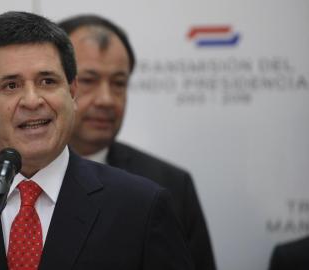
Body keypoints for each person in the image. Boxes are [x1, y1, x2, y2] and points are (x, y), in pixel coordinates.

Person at [0, 11, 194, 270]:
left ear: (72, 92)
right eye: (11, 85)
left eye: (47, 81)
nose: (32, 100)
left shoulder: (141, 207)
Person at [58, 15, 216, 270]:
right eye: (88, 80)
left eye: (119, 83)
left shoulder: (170, 185)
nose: (106, 99)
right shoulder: (2, 179)